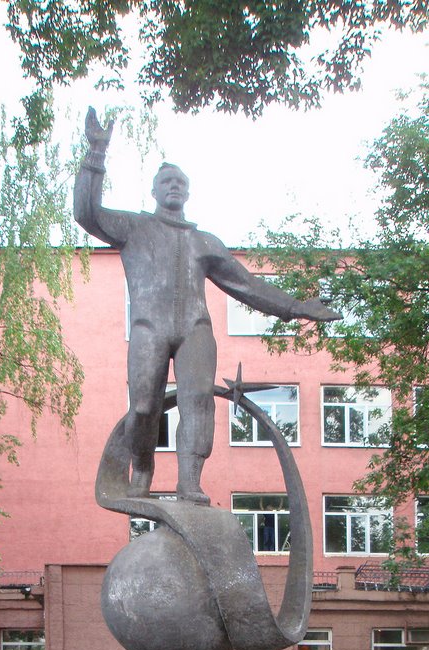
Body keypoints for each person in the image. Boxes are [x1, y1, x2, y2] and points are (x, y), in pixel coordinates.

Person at [74, 107, 340, 505]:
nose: (174, 187)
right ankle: (142, 466)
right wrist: (96, 154)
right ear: (154, 191)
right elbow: (87, 213)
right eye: (167, 182)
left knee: (197, 401)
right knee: (144, 407)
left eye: (181, 182)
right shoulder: (134, 227)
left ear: (188, 193)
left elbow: (246, 285)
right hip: (149, 328)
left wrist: (296, 307)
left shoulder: (204, 242)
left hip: (195, 330)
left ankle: (190, 481)